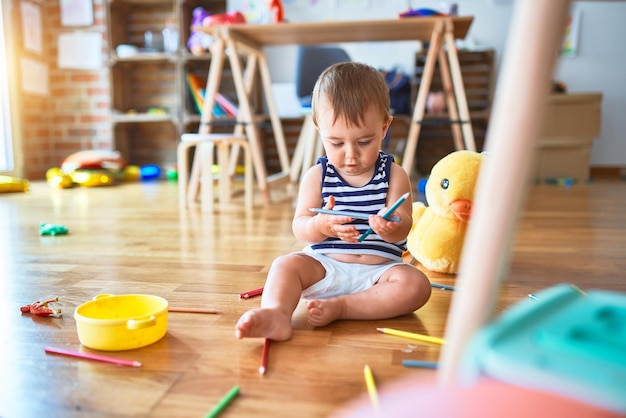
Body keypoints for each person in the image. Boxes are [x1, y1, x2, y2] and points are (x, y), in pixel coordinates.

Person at [235, 62, 432, 341]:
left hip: (378, 273)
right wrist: (320, 225)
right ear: (318, 128)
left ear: (385, 126)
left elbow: (405, 227)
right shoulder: (317, 176)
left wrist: (392, 226)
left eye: (364, 141)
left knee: (417, 285)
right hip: (325, 266)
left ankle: (343, 307)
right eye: (337, 143)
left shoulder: (394, 175)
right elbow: (300, 226)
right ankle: (277, 315)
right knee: (284, 265)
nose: (350, 155)